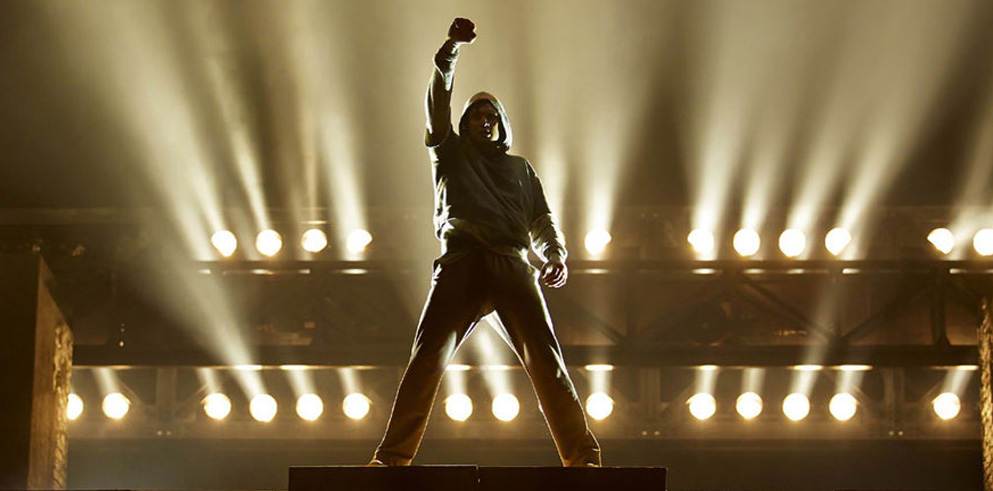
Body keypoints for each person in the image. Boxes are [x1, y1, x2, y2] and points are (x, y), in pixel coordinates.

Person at [369, 17, 601, 468]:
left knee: (547, 363)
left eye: (493, 114)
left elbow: (541, 218)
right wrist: (451, 48)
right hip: (462, 264)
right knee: (427, 360)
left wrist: (555, 254)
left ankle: (583, 458)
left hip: (513, 265)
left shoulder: (520, 169)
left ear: (503, 124)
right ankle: (392, 458)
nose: (485, 119)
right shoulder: (450, 153)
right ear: (465, 122)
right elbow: (437, 100)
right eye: (477, 113)